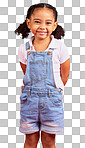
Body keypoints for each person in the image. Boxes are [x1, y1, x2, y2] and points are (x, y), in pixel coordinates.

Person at [15, 3, 70, 148]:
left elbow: (65, 74)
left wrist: (54, 91)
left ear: (55, 25)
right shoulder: (24, 48)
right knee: (31, 141)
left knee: (48, 141)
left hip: (52, 102)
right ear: (29, 23)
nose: (42, 27)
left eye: (48, 22)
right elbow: (26, 72)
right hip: (30, 101)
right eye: (37, 21)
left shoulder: (60, 47)